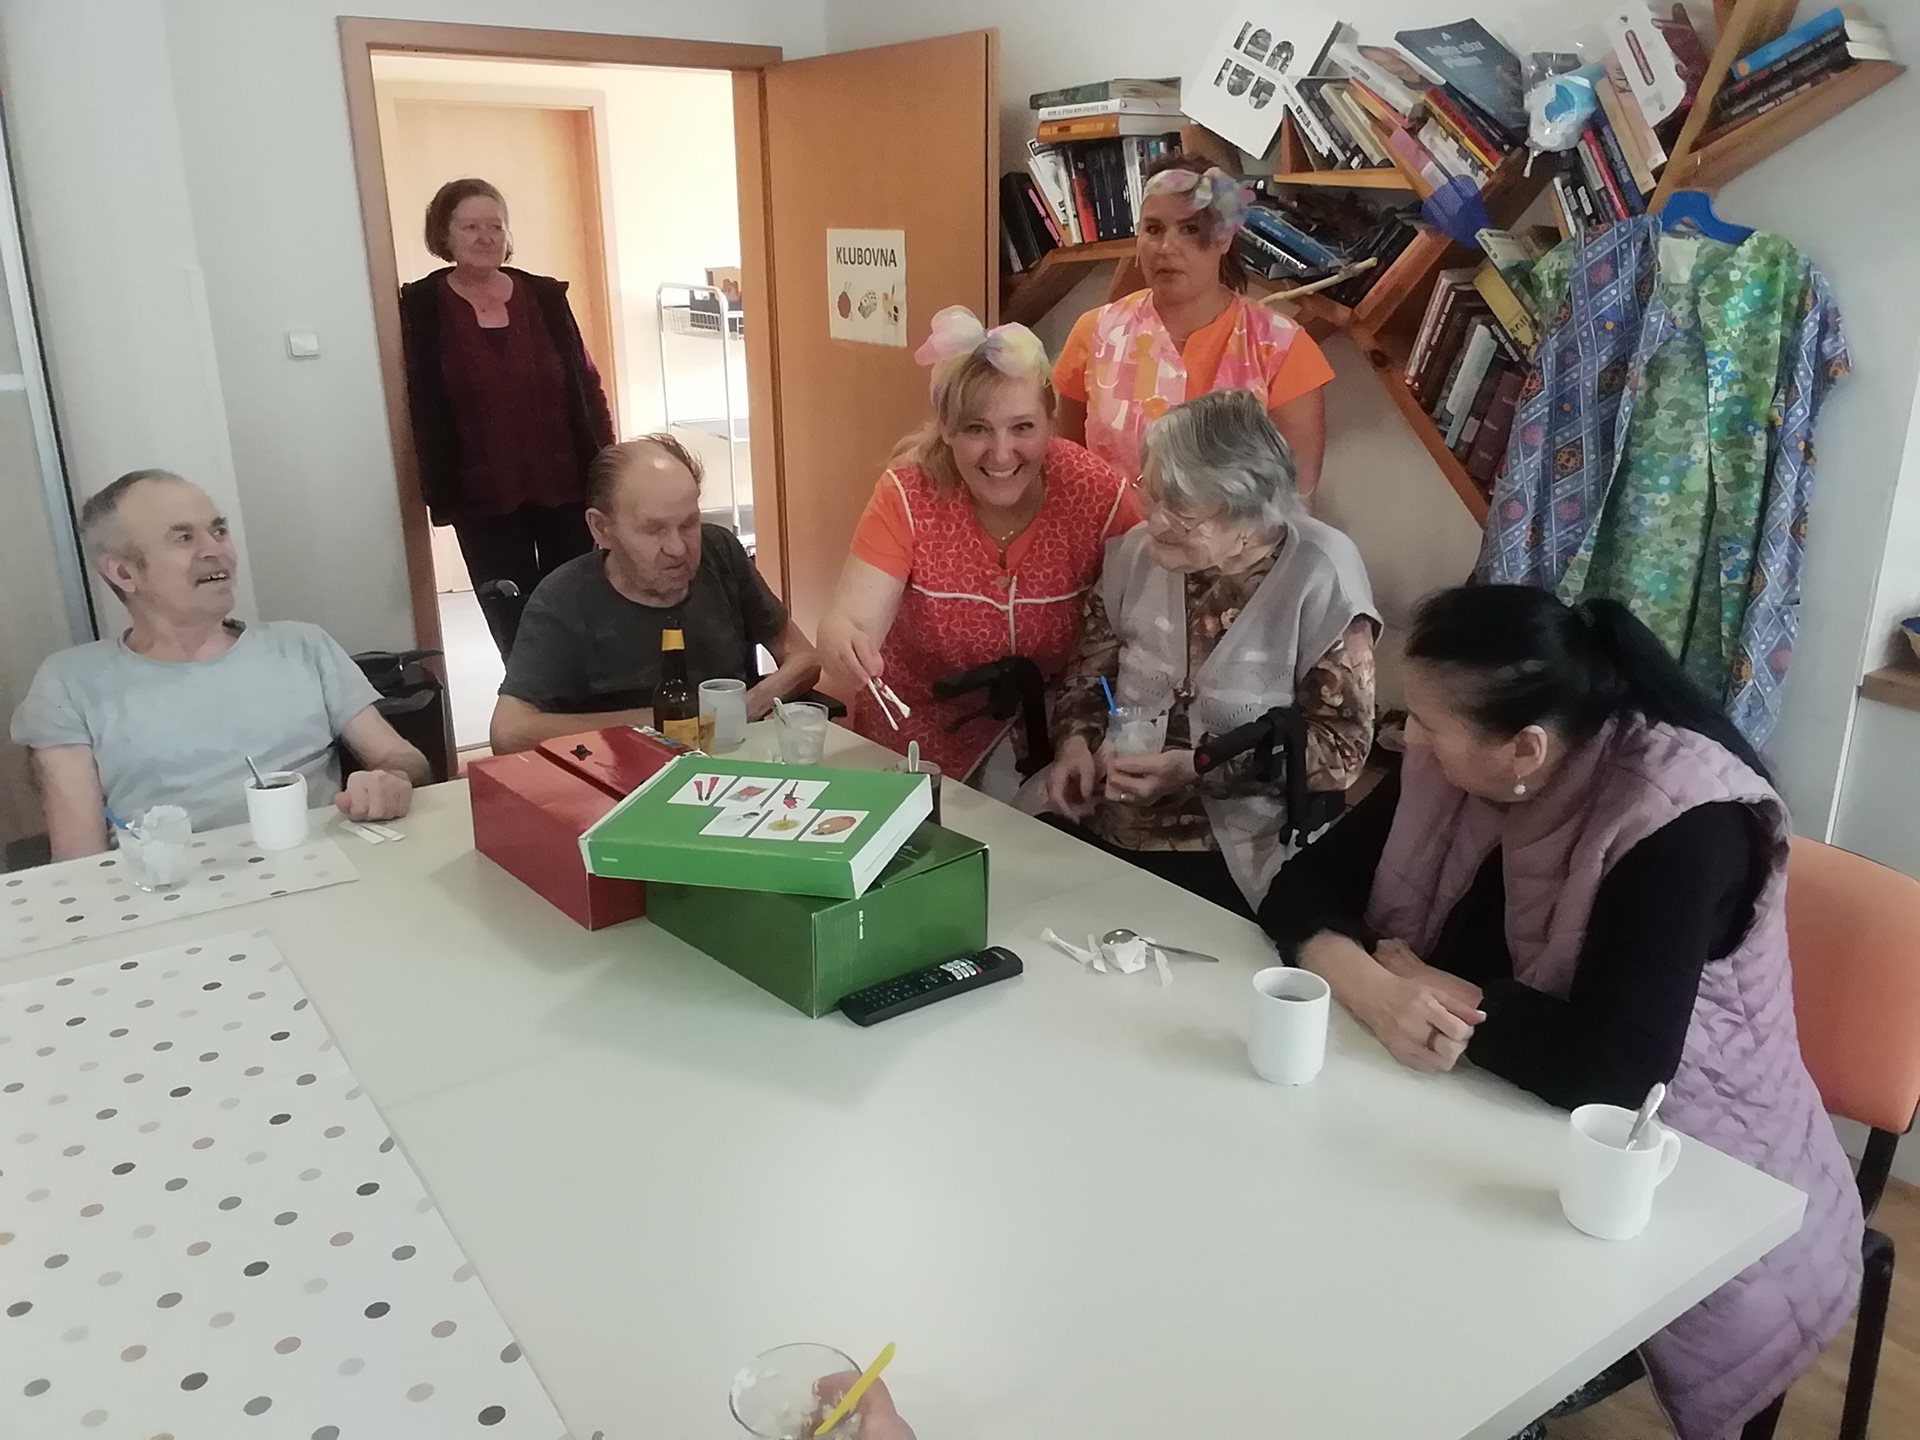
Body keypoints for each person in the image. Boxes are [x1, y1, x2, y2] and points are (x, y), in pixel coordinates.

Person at [1260, 585, 1863, 1440]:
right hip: (1492, 1107)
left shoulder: (1682, 825)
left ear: (1525, 749)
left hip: (1694, 1171)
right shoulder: (1462, 760)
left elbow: (1616, 1073)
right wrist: (1375, 988)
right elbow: (1299, 887)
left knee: (1423, 1358)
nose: (1406, 738)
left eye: (1426, 722)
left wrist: (1450, 996)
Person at [1043, 390, 1377, 917]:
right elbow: (1090, 675)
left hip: (1243, 850)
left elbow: (1342, 748)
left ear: (1250, 515)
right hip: (1108, 818)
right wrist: (1075, 745)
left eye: (1180, 511)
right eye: (1152, 495)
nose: (1155, 522)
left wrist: (1198, 768)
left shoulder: (1322, 577)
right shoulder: (1134, 555)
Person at [10, 470, 430, 859]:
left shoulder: (303, 645)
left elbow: (403, 758)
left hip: (322, 868)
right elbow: (78, 858)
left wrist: (391, 779)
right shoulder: (69, 684)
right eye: (183, 538)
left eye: (219, 530)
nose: (215, 550)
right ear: (123, 573)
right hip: (170, 890)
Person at [817, 307, 1142, 788]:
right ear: (946, 429)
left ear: (1050, 421)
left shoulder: (1097, 493)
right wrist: (843, 643)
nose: (1001, 453)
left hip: (1057, 741)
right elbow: (850, 623)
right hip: (917, 744)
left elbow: (1145, 623)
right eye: (976, 428)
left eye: (1023, 427)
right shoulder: (908, 492)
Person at [490, 435, 819, 754]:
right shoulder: (564, 598)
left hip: (727, 757)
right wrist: (672, 719)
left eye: (689, 524)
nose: (678, 549)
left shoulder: (720, 553)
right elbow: (509, 732)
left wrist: (750, 703)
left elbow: (804, 657)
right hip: (618, 766)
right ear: (602, 529)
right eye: (654, 529)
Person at [399, 177, 616, 657]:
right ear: (444, 234)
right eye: (470, 227)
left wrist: (608, 466)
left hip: (567, 488)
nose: (486, 237)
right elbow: (414, 402)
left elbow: (586, 383)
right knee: (512, 622)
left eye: (495, 226)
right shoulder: (420, 306)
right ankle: (529, 701)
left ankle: (584, 700)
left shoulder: (544, 297)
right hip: (482, 499)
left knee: (577, 611)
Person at [1052, 154, 1335, 493]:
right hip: (1112, 529)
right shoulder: (1096, 334)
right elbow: (1067, 472)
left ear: (1223, 238)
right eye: (1153, 229)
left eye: (1189, 229)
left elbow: (1296, 498)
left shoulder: (1282, 349)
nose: (1166, 247)